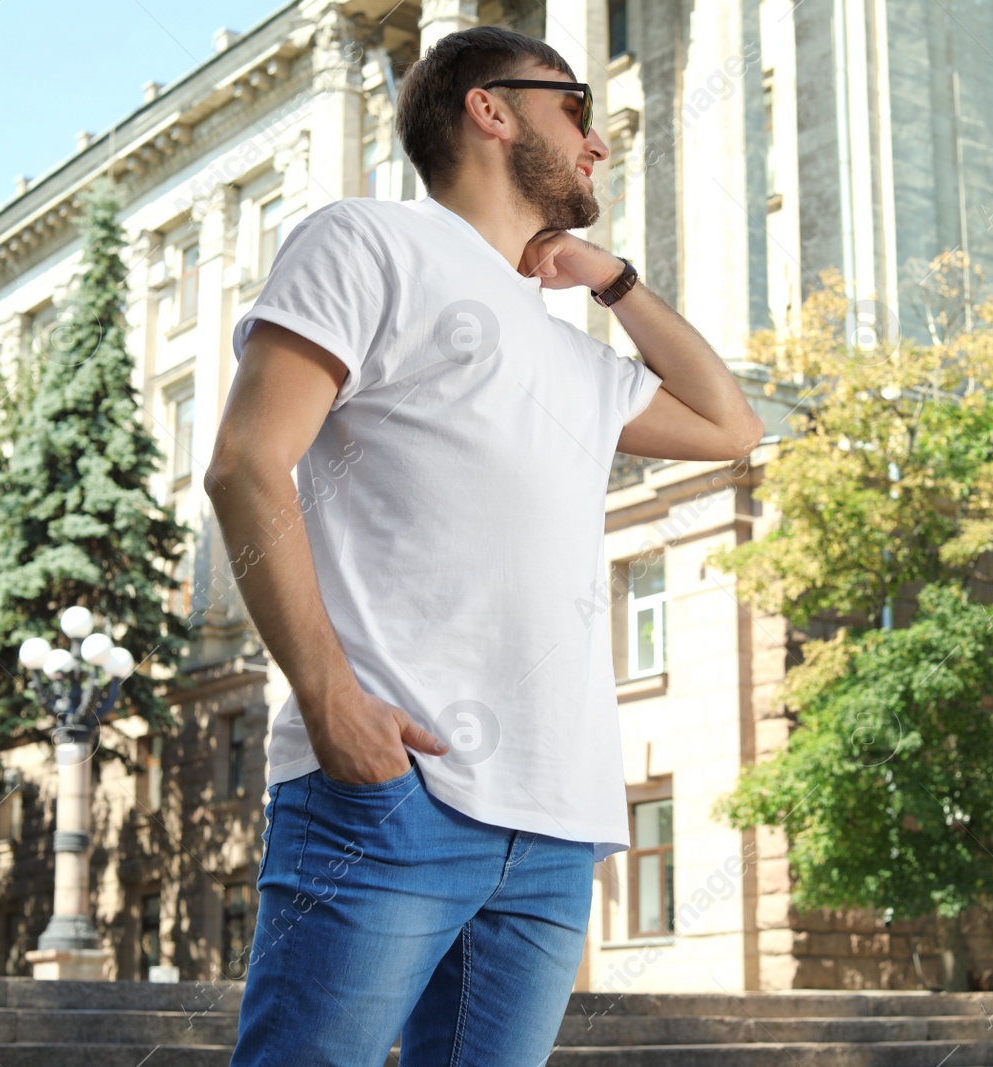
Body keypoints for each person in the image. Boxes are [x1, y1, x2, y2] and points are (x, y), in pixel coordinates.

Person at [207, 23, 765, 1067]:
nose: (597, 143)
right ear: (489, 107)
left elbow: (730, 426)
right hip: (392, 796)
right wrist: (330, 699)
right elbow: (244, 465)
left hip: (556, 822)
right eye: (575, 109)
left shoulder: (572, 356)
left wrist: (615, 283)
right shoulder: (365, 241)